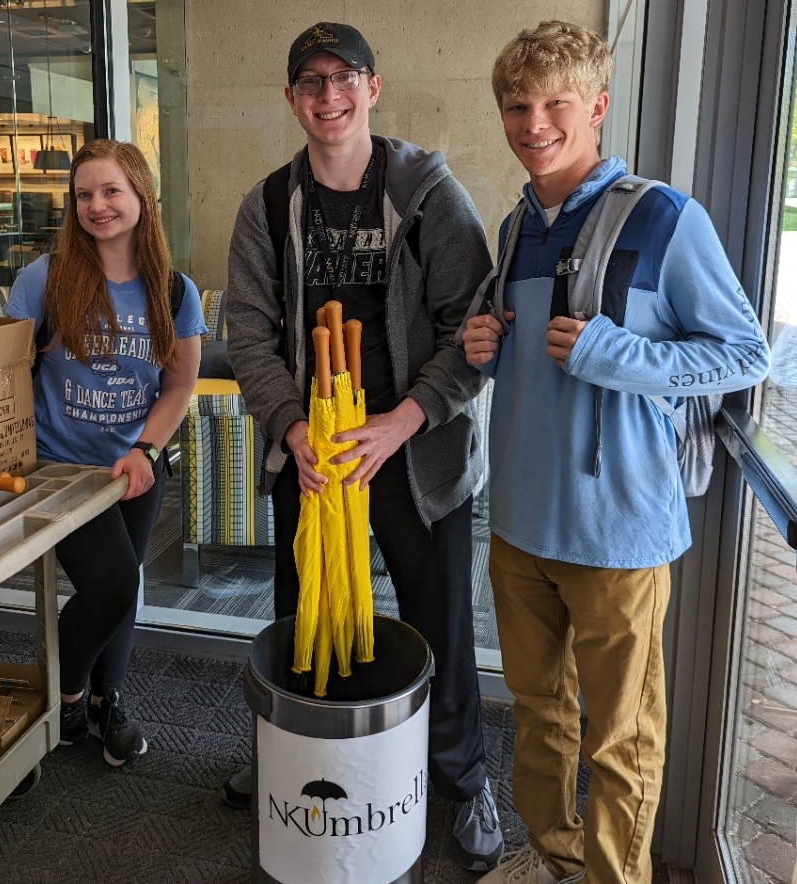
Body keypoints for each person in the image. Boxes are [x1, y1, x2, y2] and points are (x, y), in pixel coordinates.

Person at [461, 20, 770, 884]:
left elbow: (745, 350)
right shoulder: (516, 224)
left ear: (597, 106)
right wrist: (482, 346)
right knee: (537, 712)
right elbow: (529, 359)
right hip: (519, 523)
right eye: (517, 106)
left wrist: (618, 354)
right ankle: (552, 856)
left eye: (556, 103)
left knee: (621, 736)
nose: (534, 124)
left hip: (619, 537)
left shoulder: (666, 217)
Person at [224, 22, 503, 873]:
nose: (328, 95)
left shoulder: (426, 193)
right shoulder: (269, 205)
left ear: (373, 88)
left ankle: (460, 778)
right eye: (309, 82)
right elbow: (250, 335)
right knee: (313, 616)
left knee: (439, 623)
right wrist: (293, 428)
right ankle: (305, 758)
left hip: (415, 457)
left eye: (344, 77)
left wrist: (405, 419)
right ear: (290, 99)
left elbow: (472, 330)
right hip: (314, 458)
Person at [4, 139, 205, 767]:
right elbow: (5, 375)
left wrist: (146, 450)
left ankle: (104, 703)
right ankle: (65, 696)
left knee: (125, 587)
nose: (98, 205)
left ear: (141, 196)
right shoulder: (45, 278)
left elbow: (178, 386)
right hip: (60, 469)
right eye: (84, 194)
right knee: (114, 584)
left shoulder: (173, 291)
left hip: (136, 470)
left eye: (111, 190)